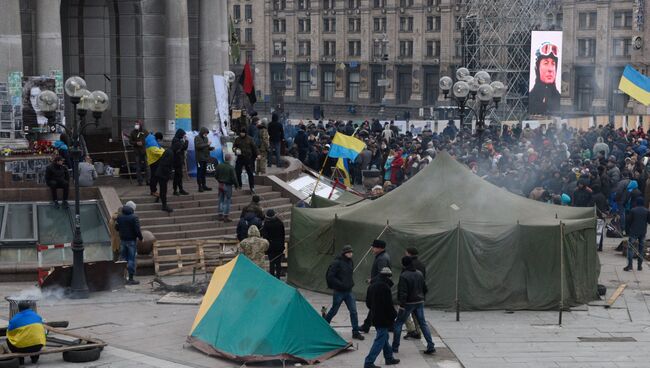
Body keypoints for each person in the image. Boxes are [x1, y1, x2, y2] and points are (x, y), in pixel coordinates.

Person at [391, 256, 436, 355]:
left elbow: (403, 292)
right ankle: (431, 345)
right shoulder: (419, 273)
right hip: (419, 301)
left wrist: (402, 305)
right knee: (423, 323)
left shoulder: (404, 275)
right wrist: (421, 297)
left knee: (398, 323)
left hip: (408, 303)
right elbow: (425, 288)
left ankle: (395, 347)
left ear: (403, 264)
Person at [323, 244, 365, 340]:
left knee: (353, 311)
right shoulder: (336, 262)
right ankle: (324, 326)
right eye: (349, 252)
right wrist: (340, 284)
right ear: (345, 253)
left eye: (351, 252)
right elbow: (330, 276)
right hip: (339, 291)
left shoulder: (350, 262)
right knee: (334, 310)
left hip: (349, 291)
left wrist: (349, 283)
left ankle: (355, 332)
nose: (351, 254)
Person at [363, 267, 400, 368]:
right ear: (388, 276)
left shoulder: (372, 286)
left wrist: (374, 310)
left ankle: (389, 358)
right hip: (384, 318)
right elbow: (388, 305)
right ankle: (369, 362)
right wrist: (394, 315)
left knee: (384, 337)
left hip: (375, 316)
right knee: (380, 339)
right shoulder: (385, 287)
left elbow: (368, 303)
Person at [360, 239, 391, 333]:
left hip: (379, 287)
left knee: (375, 306)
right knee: (375, 306)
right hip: (380, 285)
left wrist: (372, 280)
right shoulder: (382, 256)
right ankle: (367, 325)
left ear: (380, 248)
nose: (372, 249)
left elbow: (383, 274)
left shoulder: (382, 258)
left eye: (374, 247)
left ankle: (368, 325)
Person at [115, 201, 143, 284]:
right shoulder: (134, 217)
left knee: (123, 259)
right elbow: (137, 230)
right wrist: (141, 238)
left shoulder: (119, 216)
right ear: (132, 208)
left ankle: (122, 278)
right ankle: (131, 279)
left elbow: (116, 227)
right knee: (131, 259)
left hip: (123, 240)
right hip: (131, 241)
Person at [528, 42, 561, 115]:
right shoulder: (530, 98)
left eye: (553, 64)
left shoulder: (559, 98)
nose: (550, 69)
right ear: (537, 68)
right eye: (546, 63)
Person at [403, 247, 425, 340]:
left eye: (406, 253)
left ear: (409, 254)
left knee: (405, 314)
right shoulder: (421, 264)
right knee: (417, 315)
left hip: (409, 296)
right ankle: (418, 331)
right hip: (419, 295)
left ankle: (411, 330)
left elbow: (404, 281)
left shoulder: (408, 265)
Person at [624, 197, 650, 272]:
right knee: (641, 249)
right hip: (642, 232)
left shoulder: (633, 210)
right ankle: (639, 266)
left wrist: (627, 231)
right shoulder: (646, 211)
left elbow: (628, 221)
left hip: (633, 232)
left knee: (631, 248)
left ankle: (630, 265)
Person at [261, 209, 285, 278]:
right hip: (279, 246)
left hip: (270, 246)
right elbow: (283, 235)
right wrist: (282, 245)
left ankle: (272, 277)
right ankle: (278, 277)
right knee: (278, 263)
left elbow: (265, 237)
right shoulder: (280, 223)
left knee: (271, 262)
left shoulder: (266, 224)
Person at [233, 128, 259, 193]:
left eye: (243, 132)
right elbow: (234, 147)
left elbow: (254, 147)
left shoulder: (250, 139)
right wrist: (235, 150)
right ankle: (239, 185)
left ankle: (252, 187)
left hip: (248, 158)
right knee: (237, 171)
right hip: (240, 158)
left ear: (245, 133)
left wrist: (258, 154)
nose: (241, 134)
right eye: (241, 132)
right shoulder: (237, 139)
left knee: (250, 173)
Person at [214, 153, 238, 222]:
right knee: (227, 200)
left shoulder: (219, 166)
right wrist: (236, 185)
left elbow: (215, 175)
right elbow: (234, 178)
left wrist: (219, 180)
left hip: (220, 185)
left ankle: (220, 214)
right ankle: (226, 216)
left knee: (220, 200)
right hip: (228, 185)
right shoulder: (231, 167)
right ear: (230, 159)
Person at [154, 143, 175, 212]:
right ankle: (164, 205)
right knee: (164, 189)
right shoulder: (170, 153)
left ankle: (158, 197)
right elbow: (166, 165)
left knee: (163, 188)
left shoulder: (169, 151)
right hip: (162, 174)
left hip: (161, 173)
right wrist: (169, 173)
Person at [194, 127, 214, 192]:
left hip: (205, 158)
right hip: (199, 159)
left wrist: (210, 148)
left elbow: (206, 147)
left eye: (207, 134)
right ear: (202, 132)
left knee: (203, 173)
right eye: (205, 133)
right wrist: (207, 144)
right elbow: (198, 146)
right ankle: (199, 186)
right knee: (199, 172)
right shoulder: (197, 138)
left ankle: (204, 185)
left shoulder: (206, 138)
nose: (206, 135)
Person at [146, 132, 165, 198]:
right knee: (154, 177)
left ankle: (153, 190)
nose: (159, 142)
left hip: (153, 160)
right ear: (158, 138)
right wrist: (165, 152)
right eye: (160, 140)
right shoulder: (152, 142)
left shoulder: (152, 139)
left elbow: (158, 147)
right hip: (154, 161)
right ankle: (153, 191)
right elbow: (156, 151)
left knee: (154, 176)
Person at [171, 128, 189, 196]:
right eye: (183, 135)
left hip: (179, 160)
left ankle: (180, 189)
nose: (183, 136)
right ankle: (175, 190)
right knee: (177, 176)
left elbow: (183, 148)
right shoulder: (176, 140)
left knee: (179, 175)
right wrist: (186, 141)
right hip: (177, 161)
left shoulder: (179, 140)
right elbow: (184, 147)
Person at [129, 121, 148, 186]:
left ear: (141, 125)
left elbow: (149, 139)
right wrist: (136, 143)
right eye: (135, 124)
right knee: (138, 167)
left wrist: (144, 143)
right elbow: (130, 141)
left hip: (145, 151)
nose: (136, 125)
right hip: (137, 152)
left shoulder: (145, 132)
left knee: (147, 166)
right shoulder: (133, 132)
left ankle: (148, 180)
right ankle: (140, 181)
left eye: (137, 124)